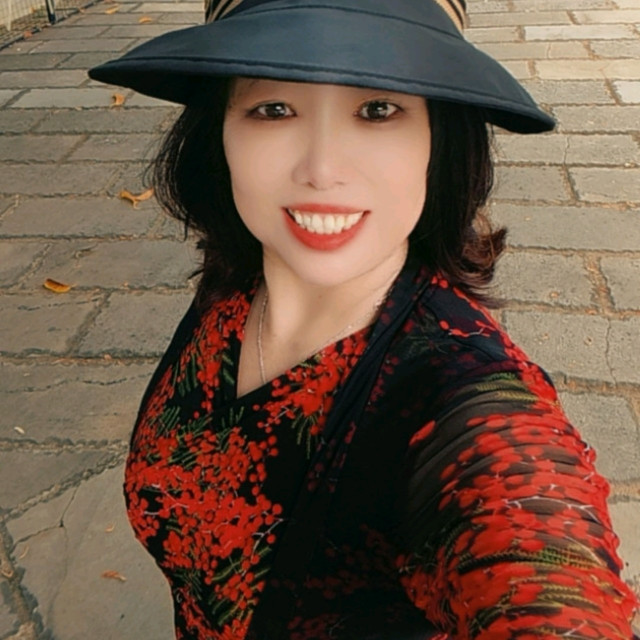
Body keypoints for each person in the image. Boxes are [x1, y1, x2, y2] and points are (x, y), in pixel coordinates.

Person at [89, 1, 639, 638]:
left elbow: (539, 563)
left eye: (378, 109)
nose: (322, 170)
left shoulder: (459, 395)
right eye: (274, 108)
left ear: (439, 137)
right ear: (220, 133)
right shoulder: (238, 281)